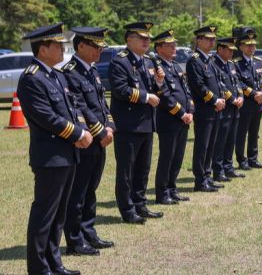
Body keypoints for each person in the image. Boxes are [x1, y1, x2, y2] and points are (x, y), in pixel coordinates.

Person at [18, 23, 92, 275]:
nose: (63, 49)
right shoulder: (31, 78)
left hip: (68, 153)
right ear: (42, 49)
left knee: (59, 214)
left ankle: (54, 262)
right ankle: (39, 268)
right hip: (50, 156)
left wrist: (84, 131)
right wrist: (77, 134)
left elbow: (73, 109)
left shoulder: (56, 75)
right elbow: (46, 117)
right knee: (44, 214)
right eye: (57, 45)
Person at [62, 27, 115, 256]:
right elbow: (80, 107)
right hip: (85, 140)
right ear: (81, 45)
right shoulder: (70, 72)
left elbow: (102, 104)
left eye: (101, 46)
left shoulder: (91, 71)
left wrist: (110, 126)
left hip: (100, 139)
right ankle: (75, 240)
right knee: (78, 191)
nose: (100, 50)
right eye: (95, 46)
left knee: (91, 188)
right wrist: (100, 131)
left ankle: (88, 231)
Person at [110, 21, 166, 224]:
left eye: (148, 38)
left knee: (143, 168)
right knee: (127, 169)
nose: (146, 41)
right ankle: (127, 209)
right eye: (142, 37)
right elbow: (120, 90)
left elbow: (156, 90)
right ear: (129, 39)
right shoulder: (120, 61)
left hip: (146, 123)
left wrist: (159, 82)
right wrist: (145, 97)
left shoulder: (149, 61)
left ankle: (140, 204)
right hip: (128, 125)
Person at [151, 30, 194, 205]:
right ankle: (162, 193)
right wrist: (181, 113)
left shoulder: (175, 66)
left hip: (183, 119)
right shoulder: (158, 67)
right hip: (169, 120)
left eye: (174, 44)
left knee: (178, 156)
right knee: (167, 157)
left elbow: (186, 90)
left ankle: (172, 188)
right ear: (159, 48)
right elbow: (164, 95)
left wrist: (190, 109)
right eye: (169, 45)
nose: (174, 47)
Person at [186, 25, 226, 192]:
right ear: (198, 40)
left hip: (215, 109)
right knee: (202, 145)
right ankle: (200, 180)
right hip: (204, 110)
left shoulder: (209, 60)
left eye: (213, 39)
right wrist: (214, 100)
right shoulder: (194, 61)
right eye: (208, 39)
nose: (212, 42)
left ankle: (207, 177)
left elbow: (218, 82)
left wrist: (222, 98)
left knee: (211, 145)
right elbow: (199, 86)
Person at [234, 27, 262, 170]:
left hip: (258, 103)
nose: (251, 47)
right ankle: (242, 160)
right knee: (242, 133)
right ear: (241, 46)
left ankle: (253, 159)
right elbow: (238, 82)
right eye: (248, 45)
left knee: (254, 132)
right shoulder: (236, 63)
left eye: (253, 44)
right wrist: (254, 94)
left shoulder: (259, 62)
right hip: (246, 104)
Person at [211, 36, 245, 182]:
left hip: (235, 108)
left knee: (231, 139)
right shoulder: (214, 64)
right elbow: (220, 86)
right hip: (224, 107)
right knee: (221, 141)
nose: (232, 52)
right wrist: (232, 99)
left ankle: (229, 167)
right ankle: (218, 171)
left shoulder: (230, 64)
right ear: (220, 49)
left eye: (233, 50)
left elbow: (236, 82)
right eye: (229, 49)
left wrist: (241, 96)